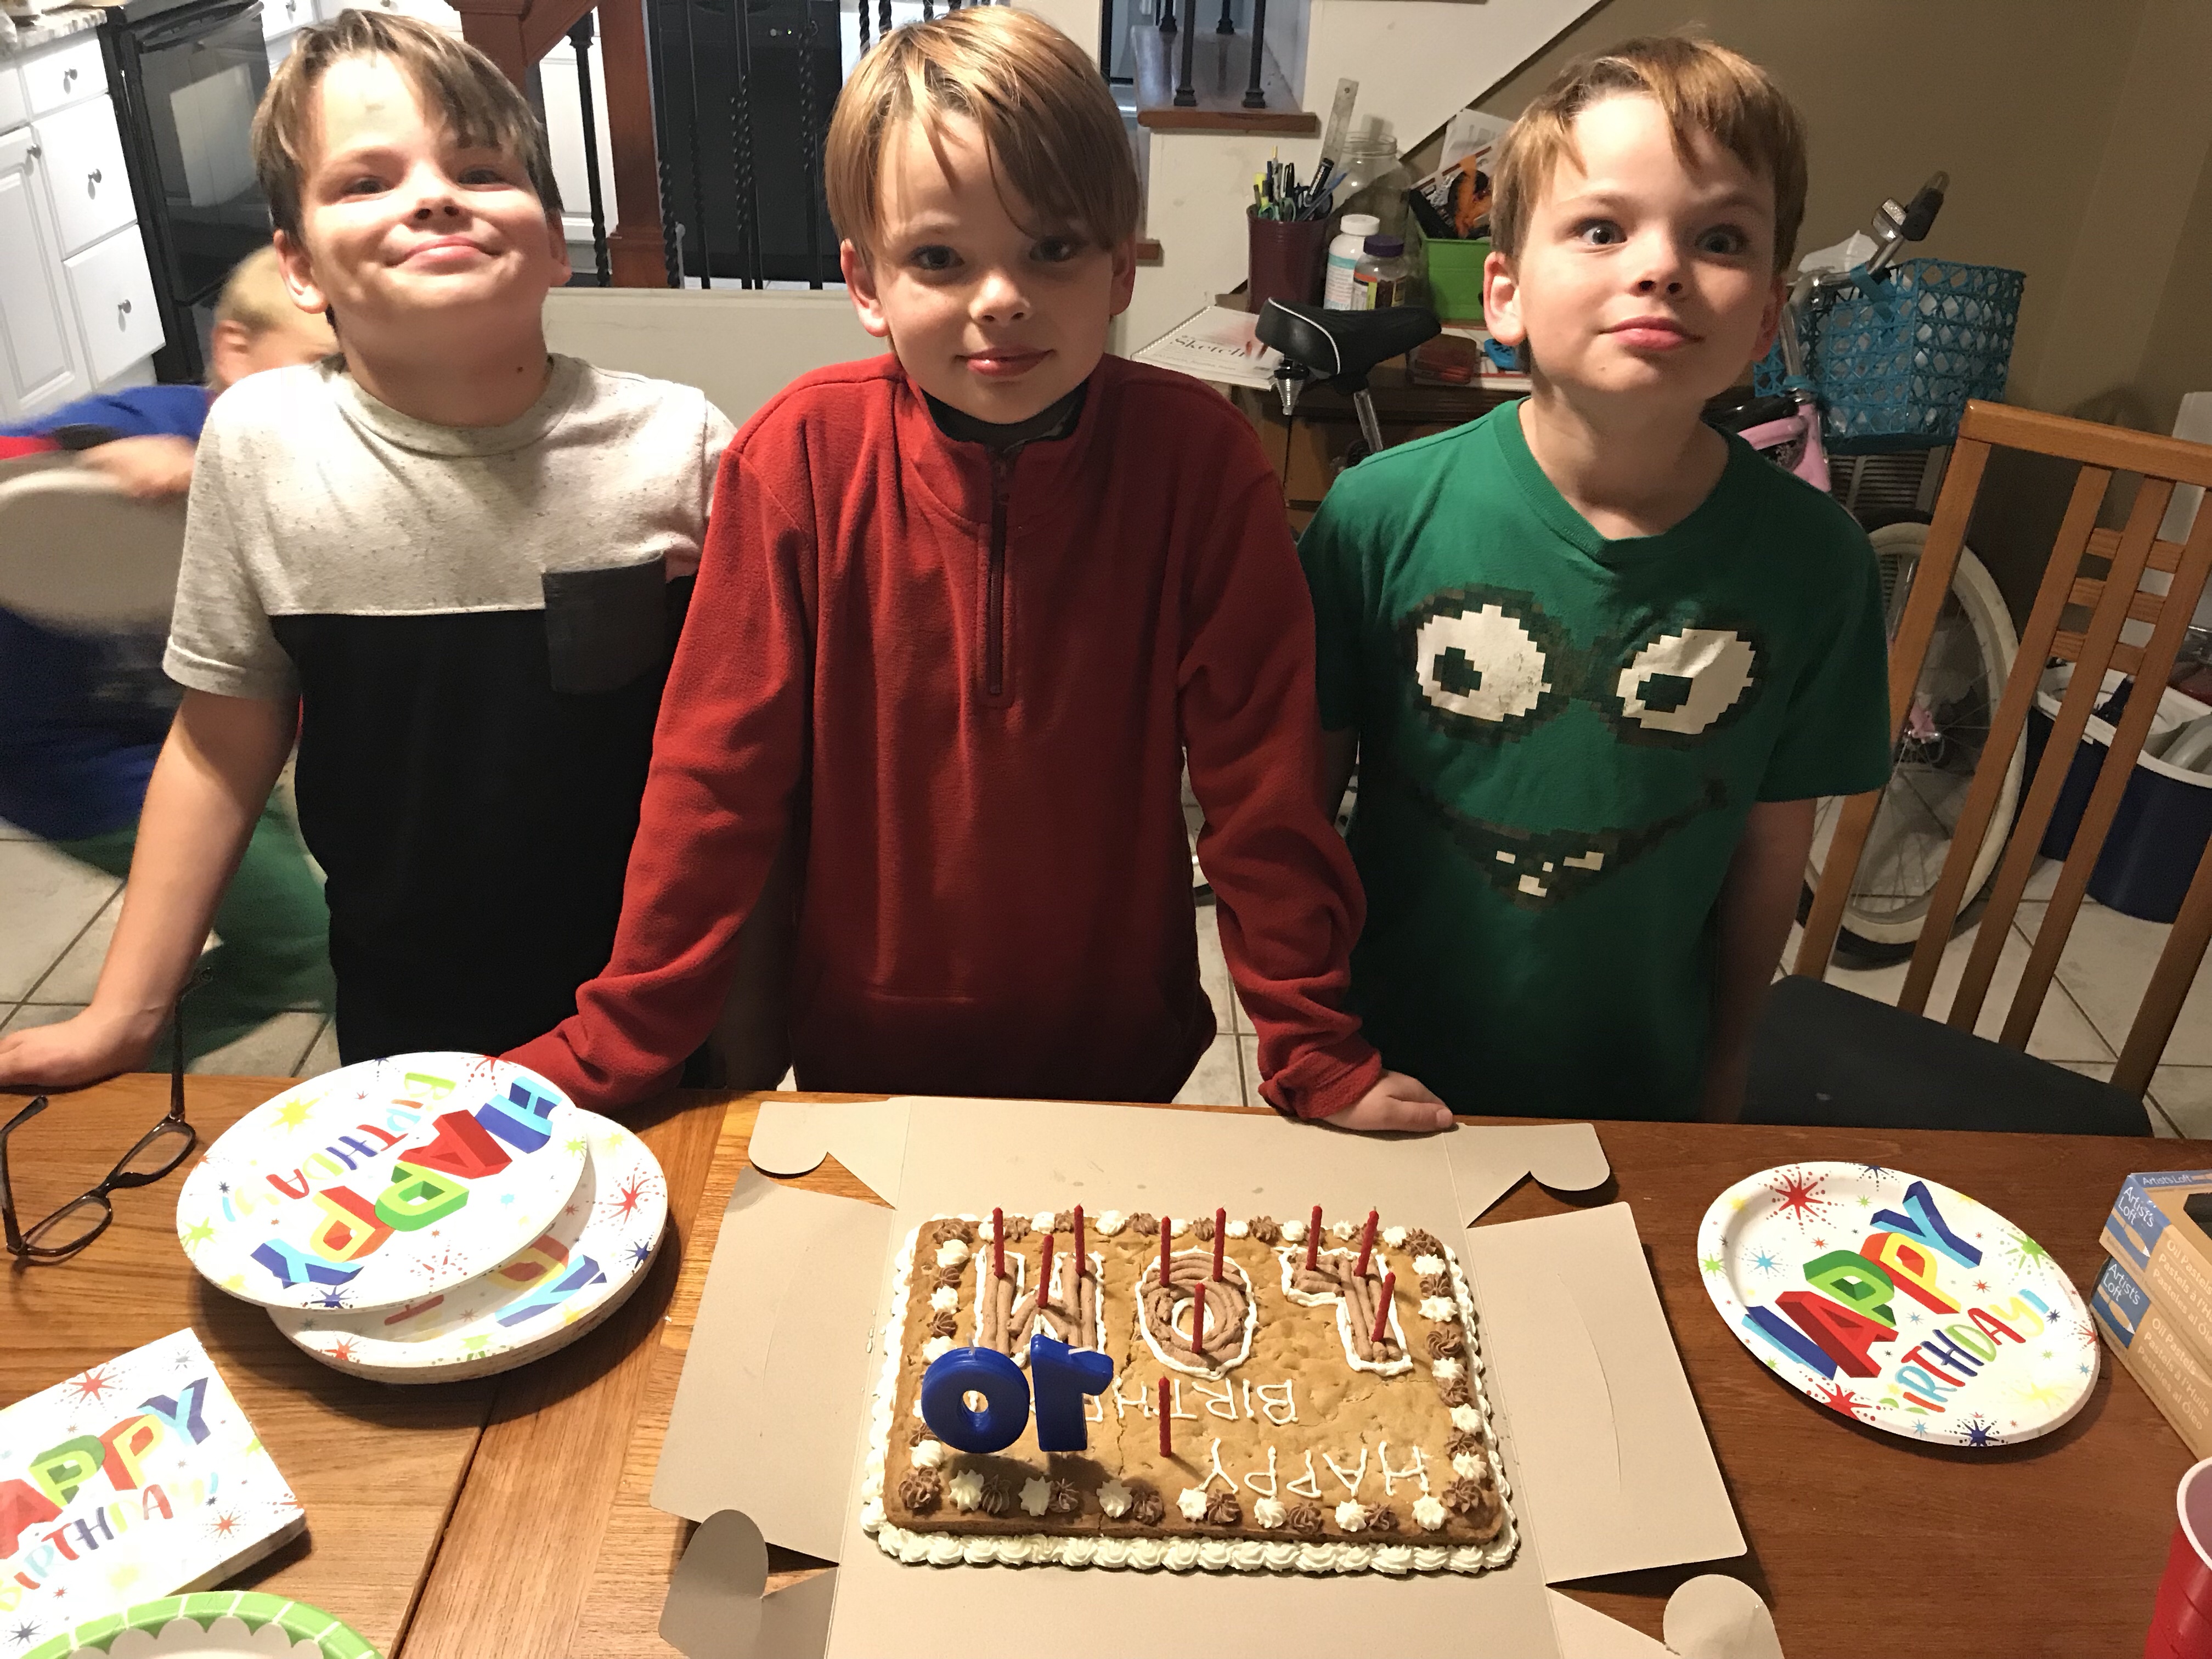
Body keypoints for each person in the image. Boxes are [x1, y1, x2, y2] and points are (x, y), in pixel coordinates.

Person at [505, 9, 1446, 1130]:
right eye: (940, 259)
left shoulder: (1201, 464)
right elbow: (712, 784)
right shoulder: (797, 459)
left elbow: (1264, 790)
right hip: (860, 1055)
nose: (1001, 298)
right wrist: (619, 1044)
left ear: (1120, 263)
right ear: (866, 283)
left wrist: (1311, 1043)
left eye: (1052, 249)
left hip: (1121, 1051)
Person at [0, 10, 732, 1089]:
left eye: (479, 170)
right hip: (404, 1000)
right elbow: (221, 738)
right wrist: (122, 1014)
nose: (433, 197)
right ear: (299, 267)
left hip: (652, 998)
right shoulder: (257, 444)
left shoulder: (680, 444)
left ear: (551, 238)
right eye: (364, 182)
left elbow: (751, 752)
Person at [1296, 36, 1891, 1124]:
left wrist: (1727, 1062)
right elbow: (1296, 813)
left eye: (1719, 238)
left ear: (1766, 317)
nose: (1660, 268)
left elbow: (1772, 851)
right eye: (1604, 229)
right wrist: (1314, 1045)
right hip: (1388, 1076)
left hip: (1646, 1091)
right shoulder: (1375, 517)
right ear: (1506, 294)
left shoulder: (1819, 564)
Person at [0, 247, 336, 1068]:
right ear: (234, 349)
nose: (341, 407)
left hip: (203, 735)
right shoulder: (160, 419)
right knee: (304, 945)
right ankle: (98, 1077)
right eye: (322, 371)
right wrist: (89, 448)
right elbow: (17, 456)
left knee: (286, 912)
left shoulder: (309, 469)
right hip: (81, 765)